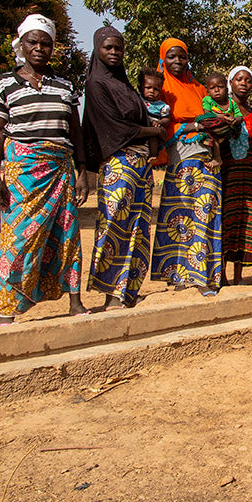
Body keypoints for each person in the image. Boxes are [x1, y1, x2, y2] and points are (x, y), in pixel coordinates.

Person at [0, 14, 89, 325]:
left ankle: (75, 302)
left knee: (67, 234)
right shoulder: (3, 83)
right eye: (33, 42)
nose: (39, 48)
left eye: (46, 43)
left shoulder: (65, 86)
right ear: (22, 44)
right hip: (24, 171)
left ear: (53, 48)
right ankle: (7, 309)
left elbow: (75, 131)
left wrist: (81, 170)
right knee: (18, 238)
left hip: (61, 169)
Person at [82, 26, 164, 311]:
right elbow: (114, 128)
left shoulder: (126, 86)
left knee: (138, 228)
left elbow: (137, 120)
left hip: (142, 166)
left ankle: (126, 292)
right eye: (108, 48)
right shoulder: (95, 85)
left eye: (119, 48)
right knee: (114, 225)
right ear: (97, 50)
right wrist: (151, 132)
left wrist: (148, 131)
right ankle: (109, 294)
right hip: (119, 163)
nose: (115, 53)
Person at [150, 38, 222, 295]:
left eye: (182, 56)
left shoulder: (198, 87)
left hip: (206, 158)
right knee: (178, 217)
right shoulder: (161, 89)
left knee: (205, 215)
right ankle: (177, 275)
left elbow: (212, 118)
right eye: (171, 57)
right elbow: (159, 122)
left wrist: (204, 126)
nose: (178, 62)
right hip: (179, 160)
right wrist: (189, 126)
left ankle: (204, 276)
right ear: (162, 59)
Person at [220, 65, 252, 285]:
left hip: (249, 174)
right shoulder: (222, 108)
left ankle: (239, 275)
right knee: (227, 220)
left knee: (246, 222)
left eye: (248, 80)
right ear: (231, 83)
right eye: (239, 79)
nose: (244, 84)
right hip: (227, 172)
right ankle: (222, 274)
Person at [139, 68, 172, 163]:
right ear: (141, 87)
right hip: (140, 127)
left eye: (156, 89)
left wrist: (160, 122)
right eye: (148, 87)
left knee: (153, 135)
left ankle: (153, 155)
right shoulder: (138, 99)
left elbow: (167, 119)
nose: (152, 91)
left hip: (153, 128)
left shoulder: (161, 106)